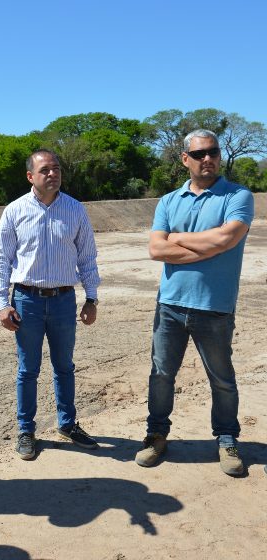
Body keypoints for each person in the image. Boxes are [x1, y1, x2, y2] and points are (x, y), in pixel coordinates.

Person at [135, 129, 254, 476]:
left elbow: (226, 238)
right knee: (161, 375)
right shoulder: (169, 201)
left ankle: (227, 438)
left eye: (213, 152)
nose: (208, 159)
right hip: (170, 304)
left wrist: (179, 239)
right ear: (185, 159)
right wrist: (206, 246)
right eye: (199, 153)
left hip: (215, 305)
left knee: (221, 378)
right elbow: (156, 249)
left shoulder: (238, 196)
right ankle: (156, 435)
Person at [0, 149, 101, 460]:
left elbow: (87, 258)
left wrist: (91, 298)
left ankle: (67, 424)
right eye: (45, 170)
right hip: (26, 301)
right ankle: (26, 431)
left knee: (64, 367)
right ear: (31, 176)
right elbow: (1, 260)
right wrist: (2, 303)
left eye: (56, 169)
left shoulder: (75, 210)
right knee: (28, 370)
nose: (53, 174)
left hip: (65, 301)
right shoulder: (14, 211)